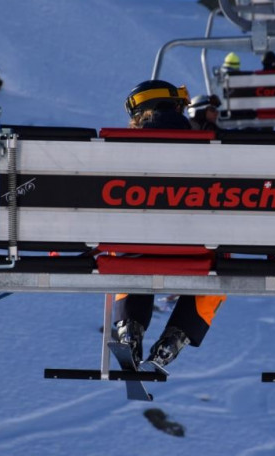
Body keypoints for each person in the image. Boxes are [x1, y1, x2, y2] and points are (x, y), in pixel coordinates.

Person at [115, 79, 227, 368]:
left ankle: (130, 327)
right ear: (176, 108)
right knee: (221, 269)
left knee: (127, 259)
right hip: (192, 249)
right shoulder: (210, 148)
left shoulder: (114, 150)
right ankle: (176, 337)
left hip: (133, 246)